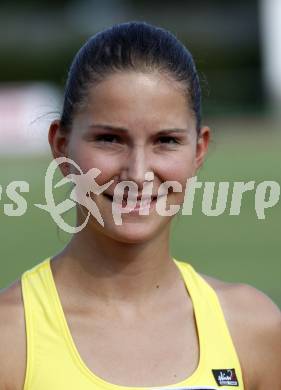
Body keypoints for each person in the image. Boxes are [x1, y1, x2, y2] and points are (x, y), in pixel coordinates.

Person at [0, 21, 280, 390]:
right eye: (109, 138)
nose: (138, 172)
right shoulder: (10, 338)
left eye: (165, 140)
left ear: (198, 150)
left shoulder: (252, 327)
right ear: (60, 145)